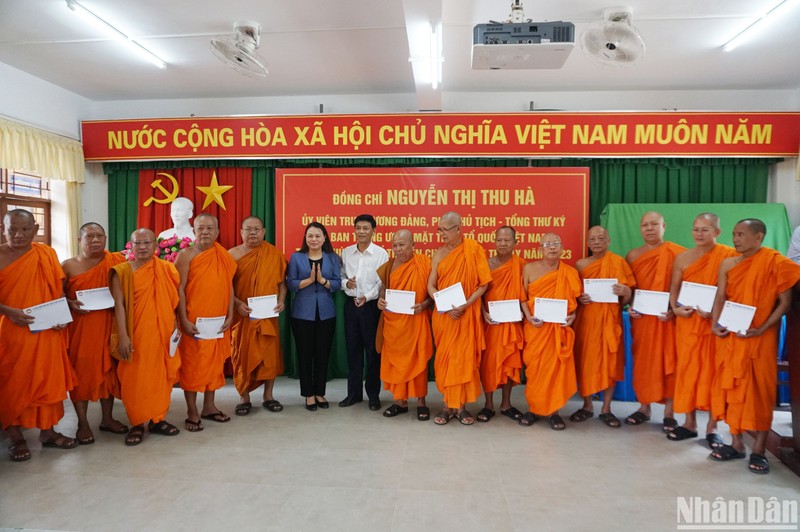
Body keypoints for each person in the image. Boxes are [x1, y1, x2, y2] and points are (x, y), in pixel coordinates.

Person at [710, 219, 800, 474]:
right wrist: (715, 324)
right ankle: (736, 442)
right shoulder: (727, 263)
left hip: (760, 337)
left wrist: (764, 327)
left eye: (741, 234)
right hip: (731, 336)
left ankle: (759, 450)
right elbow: (720, 296)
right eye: (734, 234)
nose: (735, 239)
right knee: (731, 388)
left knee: (759, 392)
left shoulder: (775, 262)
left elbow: (784, 302)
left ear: (758, 237)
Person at [1, 209, 77, 462]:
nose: (18, 235)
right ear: (3, 229)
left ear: (35, 229)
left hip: (45, 332)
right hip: (11, 334)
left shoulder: (46, 254)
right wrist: (8, 311)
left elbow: (56, 291)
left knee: (47, 380)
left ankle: (48, 432)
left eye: (24, 229)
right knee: (11, 384)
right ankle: (16, 437)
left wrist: (60, 316)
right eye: (12, 229)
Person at [667, 213, 737, 443]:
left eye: (705, 230)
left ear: (717, 232)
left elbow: (733, 292)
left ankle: (712, 427)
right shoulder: (683, 258)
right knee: (688, 371)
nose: (699, 234)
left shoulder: (729, 257)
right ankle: (689, 422)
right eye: (696, 229)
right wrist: (676, 310)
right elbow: (674, 290)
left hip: (713, 326)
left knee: (713, 374)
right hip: (688, 324)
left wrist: (716, 313)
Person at [110, 228, 181, 445]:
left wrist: (176, 329)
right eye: (137, 243)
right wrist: (123, 336)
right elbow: (119, 306)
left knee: (161, 378)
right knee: (135, 380)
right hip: (136, 335)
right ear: (130, 246)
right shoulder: (121, 271)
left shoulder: (167, 269)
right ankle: (137, 423)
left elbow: (173, 303)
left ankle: (158, 419)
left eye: (147, 243)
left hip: (163, 334)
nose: (142, 247)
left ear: (156, 246)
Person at [62, 222, 128, 445]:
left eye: (100, 236)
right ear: (79, 240)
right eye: (89, 236)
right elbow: (56, 296)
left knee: (109, 373)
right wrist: (70, 302)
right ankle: (82, 423)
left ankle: (107, 419)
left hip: (110, 325)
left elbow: (127, 293)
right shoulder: (68, 265)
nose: (95, 240)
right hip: (81, 328)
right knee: (81, 376)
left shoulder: (117, 262)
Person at [427, 211, 492, 425]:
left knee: (464, 360)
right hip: (445, 315)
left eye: (445, 229)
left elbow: (483, 284)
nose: (441, 234)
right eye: (439, 229)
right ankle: (447, 406)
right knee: (445, 360)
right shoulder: (439, 254)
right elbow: (430, 284)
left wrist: (466, 304)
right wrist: (442, 303)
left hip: (467, 312)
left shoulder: (474, 250)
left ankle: (462, 407)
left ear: (458, 229)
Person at [624, 211, 686, 431]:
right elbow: (631, 289)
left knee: (670, 363)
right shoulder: (633, 256)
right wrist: (630, 305)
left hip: (668, 319)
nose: (649, 228)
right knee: (645, 364)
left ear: (664, 226)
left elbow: (684, 288)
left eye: (654, 224)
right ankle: (644, 407)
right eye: (644, 225)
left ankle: (669, 412)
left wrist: (674, 309)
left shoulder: (679, 254)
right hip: (643, 320)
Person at [175, 214, 236, 432]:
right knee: (191, 368)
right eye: (201, 228)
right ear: (194, 231)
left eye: (210, 228)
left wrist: (230, 315)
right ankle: (192, 411)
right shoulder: (186, 255)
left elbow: (229, 287)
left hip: (218, 321)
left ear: (217, 232)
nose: (205, 232)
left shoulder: (223, 256)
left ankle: (209, 406)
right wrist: (183, 319)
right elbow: (179, 289)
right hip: (194, 322)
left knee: (214, 364)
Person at [571, 226, 635, 428]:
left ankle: (606, 408)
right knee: (586, 362)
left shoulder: (618, 262)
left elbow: (627, 298)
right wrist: (580, 298)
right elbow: (574, 295)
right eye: (593, 239)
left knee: (610, 363)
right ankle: (587, 405)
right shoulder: (580, 265)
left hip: (610, 321)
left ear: (608, 241)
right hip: (587, 321)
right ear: (588, 243)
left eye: (601, 238)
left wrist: (625, 290)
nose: (597, 242)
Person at [519, 233, 581, 430]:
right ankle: (534, 409)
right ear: (540, 248)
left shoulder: (569, 272)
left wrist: (573, 317)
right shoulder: (529, 268)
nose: (552, 248)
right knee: (536, 371)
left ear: (561, 247)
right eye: (547, 244)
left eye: (555, 244)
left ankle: (554, 412)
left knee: (556, 372)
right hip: (536, 329)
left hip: (558, 330)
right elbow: (522, 297)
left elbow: (575, 303)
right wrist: (528, 317)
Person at [228, 216, 287, 416]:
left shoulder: (274, 254)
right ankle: (244, 398)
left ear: (264, 231)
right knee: (242, 356)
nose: (252, 233)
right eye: (248, 229)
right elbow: (225, 287)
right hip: (243, 315)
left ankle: (268, 396)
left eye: (257, 229)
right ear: (241, 232)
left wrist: (281, 301)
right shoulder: (232, 255)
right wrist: (237, 304)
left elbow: (282, 284)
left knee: (269, 356)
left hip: (268, 315)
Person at [376, 229, 434, 421]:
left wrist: (424, 305)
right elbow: (384, 289)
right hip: (394, 325)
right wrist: (381, 301)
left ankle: (421, 402)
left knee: (418, 363)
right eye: (395, 245)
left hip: (416, 321)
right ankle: (400, 402)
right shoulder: (389, 266)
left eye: (402, 245)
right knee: (397, 363)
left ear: (413, 245)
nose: (398, 249)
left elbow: (433, 293)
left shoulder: (425, 264)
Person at [286, 222, 342, 411]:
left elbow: (336, 284)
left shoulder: (333, 258)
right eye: (310, 236)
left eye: (318, 236)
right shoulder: (296, 257)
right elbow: (291, 283)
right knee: (304, 354)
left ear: (324, 238)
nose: (314, 239)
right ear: (305, 238)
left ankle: (320, 392)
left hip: (326, 313)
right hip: (302, 314)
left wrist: (322, 281)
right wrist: (309, 281)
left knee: (322, 354)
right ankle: (309, 395)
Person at [338, 214, 389, 410]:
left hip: (370, 308)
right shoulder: (346, 252)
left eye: (365, 228)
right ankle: (353, 394)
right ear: (354, 230)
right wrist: (346, 283)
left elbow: (381, 283)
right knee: (353, 351)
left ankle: (373, 395)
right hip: (351, 306)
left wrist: (366, 297)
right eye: (358, 228)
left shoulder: (381, 254)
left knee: (372, 352)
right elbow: (341, 277)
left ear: (373, 231)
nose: (361, 232)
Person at [477, 226, 526, 423]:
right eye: (499, 240)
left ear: (516, 242)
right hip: (491, 322)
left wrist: (523, 313)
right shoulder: (486, 265)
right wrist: (483, 312)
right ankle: (488, 404)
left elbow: (526, 294)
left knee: (509, 362)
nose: (503, 244)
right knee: (489, 363)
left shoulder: (522, 265)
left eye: (507, 240)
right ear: (494, 241)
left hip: (512, 323)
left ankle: (506, 403)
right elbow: (478, 292)